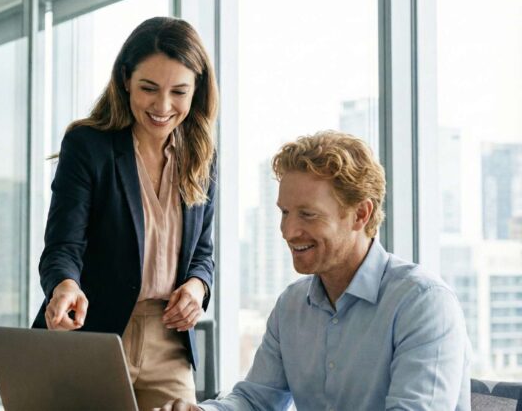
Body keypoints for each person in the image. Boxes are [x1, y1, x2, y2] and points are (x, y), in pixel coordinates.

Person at [157, 131, 471, 411]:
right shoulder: (291, 306)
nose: (289, 231)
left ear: (360, 214)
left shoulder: (423, 303)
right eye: (284, 213)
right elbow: (256, 400)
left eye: (308, 215)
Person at [31, 16, 218, 410]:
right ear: (125, 79)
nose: (163, 106)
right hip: (94, 332)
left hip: (169, 340)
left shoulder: (202, 156)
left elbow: (202, 251)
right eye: (149, 88)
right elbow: (64, 245)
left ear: (197, 91)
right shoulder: (88, 146)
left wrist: (198, 287)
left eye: (179, 92)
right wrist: (64, 284)